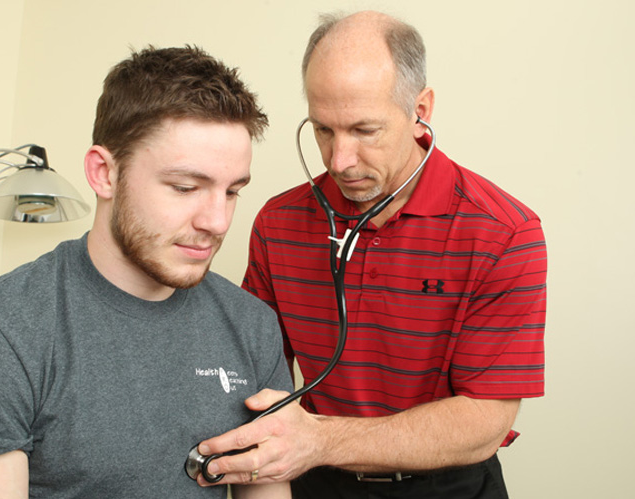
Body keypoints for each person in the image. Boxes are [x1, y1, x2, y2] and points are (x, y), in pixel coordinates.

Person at [0, 45, 293, 498]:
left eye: (232, 192)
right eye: (186, 187)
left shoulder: (252, 326)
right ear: (103, 173)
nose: (217, 221)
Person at [196, 11, 547, 499]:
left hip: (448, 485)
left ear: (420, 108)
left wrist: (319, 440)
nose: (339, 160)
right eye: (323, 130)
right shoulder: (279, 226)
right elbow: (250, 375)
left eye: (365, 130)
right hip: (316, 480)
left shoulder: (504, 233)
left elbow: (484, 420)